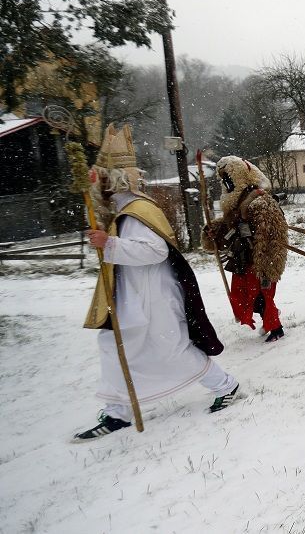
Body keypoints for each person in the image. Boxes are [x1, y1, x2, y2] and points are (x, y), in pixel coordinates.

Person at [74, 126, 238, 441]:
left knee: (170, 349)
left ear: (115, 180)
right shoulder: (126, 210)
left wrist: (108, 244)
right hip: (134, 297)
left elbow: (155, 250)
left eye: (104, 179)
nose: (101, 186)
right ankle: (118, 411)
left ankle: (225, 385)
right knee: (113, 345)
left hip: (153, 297)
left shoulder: (137, 211)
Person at [202, 156, 289, 342]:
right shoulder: (237, 201)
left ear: (239, 177)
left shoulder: (259, 200)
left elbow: (272, 234)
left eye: (229, 178)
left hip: (260, 258)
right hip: (243, 258)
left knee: (261, 295)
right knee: (244, 296)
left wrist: (266, 263)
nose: (227, 182)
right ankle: (270, 320)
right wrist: (213, 232)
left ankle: (276, 328)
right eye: (224, 179)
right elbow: (228, 227)